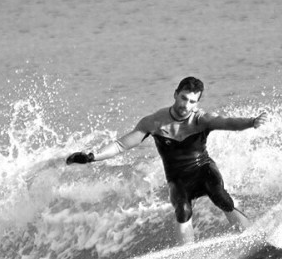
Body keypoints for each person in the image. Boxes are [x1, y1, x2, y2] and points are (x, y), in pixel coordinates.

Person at [66, 76, 268, 244]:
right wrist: (92, 157)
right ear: (175, 94)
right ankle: (187, 256)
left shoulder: (201, 119)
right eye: (183, 98)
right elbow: (121, 145)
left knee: (220, 196)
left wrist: (251, 122)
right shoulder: (154, 122)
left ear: (197, 102)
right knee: (182, 209)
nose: (186, 105)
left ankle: (251, 237)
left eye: (192, 101)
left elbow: (226, 122)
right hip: (178, 179)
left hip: (203, 169)